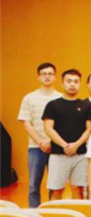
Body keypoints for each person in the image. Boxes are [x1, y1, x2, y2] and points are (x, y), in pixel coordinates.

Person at [42, 69, 91, 200]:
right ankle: (54, 214)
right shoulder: (53, 105)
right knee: (56, 190)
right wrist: (65, 145)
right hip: (58, 154)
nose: (72, 84)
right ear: (62, 83)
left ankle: (77, 214)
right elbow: (48, 128)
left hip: (80, 154)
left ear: (80, 84)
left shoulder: (86, 106)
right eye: (69, 81)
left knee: (78, 190)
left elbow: (89, 129)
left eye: (76, 81)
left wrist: (76, 145)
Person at [19, 62, 63, 204]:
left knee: (55, 186)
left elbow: (63, 125)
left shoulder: (61, 98)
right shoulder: (29, 98)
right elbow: (26, 123)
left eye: (50, 74)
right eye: (44, 74)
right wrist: (40, 142)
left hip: (56, 147)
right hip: (35, 147)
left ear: (55, 77)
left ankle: (52, 212)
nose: (47, 77)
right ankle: (34, 213)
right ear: (38, 77)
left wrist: (50, 141)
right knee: (33, 186)